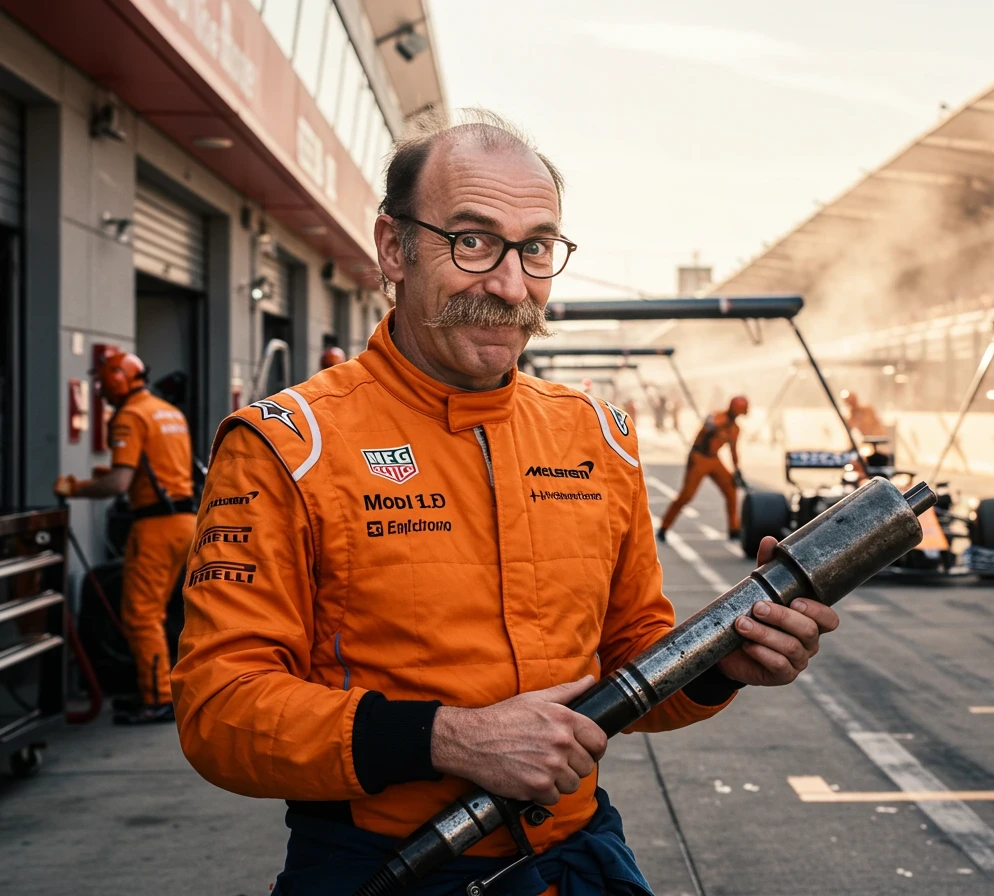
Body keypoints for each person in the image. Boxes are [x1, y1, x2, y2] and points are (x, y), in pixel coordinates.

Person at [172, 110, 836, 895]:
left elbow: (632, 657)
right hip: (386, 869)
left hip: (578, 862)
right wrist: (446, 739)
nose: (512, 285)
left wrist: (719, 665)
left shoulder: (597, 436)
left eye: (536, 248)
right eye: (473, 241)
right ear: (394, 248)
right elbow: (220, 710)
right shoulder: (289, 445)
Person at [55, 350, 196, 725]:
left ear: (117, 380)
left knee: (141, 616)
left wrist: (75, 488)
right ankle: (156, 686)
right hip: (184, 522)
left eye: (103, 384)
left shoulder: (130, 416)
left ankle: (158, 698)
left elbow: (119, 482)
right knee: (158, 613)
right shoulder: (168, 411)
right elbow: (156, 466)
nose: (101, 391)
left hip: (155, 527)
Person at [657, 396, 749, 542]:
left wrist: (737, 469)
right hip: (699, 457)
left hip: (714, 459)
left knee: (731, 489)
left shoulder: (735, 429)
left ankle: (734, 529)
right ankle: (664, 527)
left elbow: (733, 450)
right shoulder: (717, 416)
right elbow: (708, 427)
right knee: (686, 496)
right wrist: (715, 425)